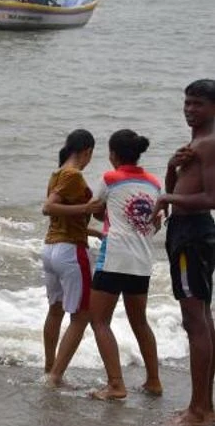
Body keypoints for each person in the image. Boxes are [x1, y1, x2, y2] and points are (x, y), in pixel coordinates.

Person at [151, 79, 215, 425]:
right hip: (186, 231)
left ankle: (199, 410)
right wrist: (171, 168)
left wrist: (166, 199)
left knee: (196, 321)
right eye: (187, 103)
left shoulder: (210, 144)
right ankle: (203, 405)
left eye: (198, 104)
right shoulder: (197, 142)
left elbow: (212, 198)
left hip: (194, 233)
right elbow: (182, 188)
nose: (189, 109)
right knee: (201, 317)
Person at [87, 129, 162, 400]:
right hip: (142, 262)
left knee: (99, 320)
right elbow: (157, 221)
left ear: (113, 154)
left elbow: (94, 208)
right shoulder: (155, 183)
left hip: (114, 258)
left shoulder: (110, 178)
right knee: (140, 322)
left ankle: (116, 384)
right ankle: (154, 380)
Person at [41, 129, 104, 387]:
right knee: (82, 315)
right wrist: (87, 208)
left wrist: (94, 231)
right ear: (87, 151)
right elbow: (49, 207)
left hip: (50, 249)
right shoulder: (73, 174)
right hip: (70, 252)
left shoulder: (56, 173)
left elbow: (62, 216)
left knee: (55, 310)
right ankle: (56, 376)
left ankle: (49, 367)